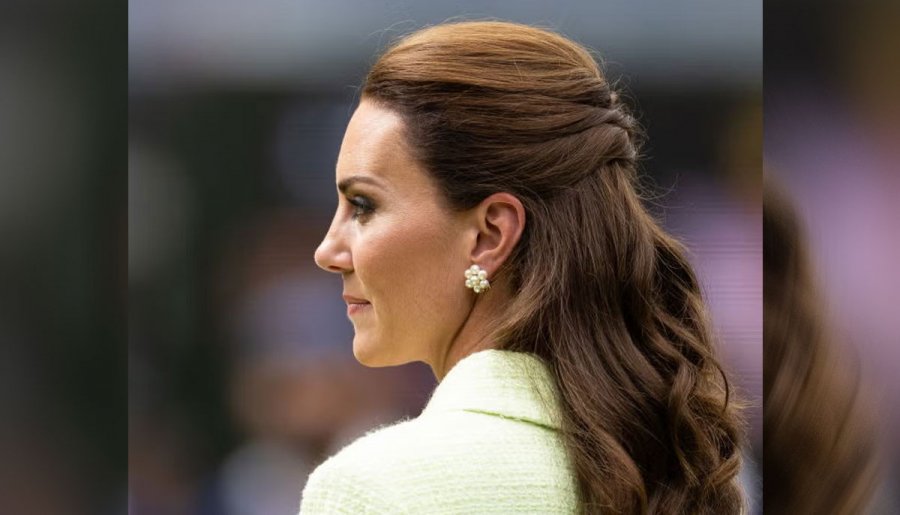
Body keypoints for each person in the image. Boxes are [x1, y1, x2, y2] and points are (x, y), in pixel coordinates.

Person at [304, 20, 745, 514]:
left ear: (490, 235)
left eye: (363, 206)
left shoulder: (370, 488)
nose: (327, 250)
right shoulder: (676, 469)